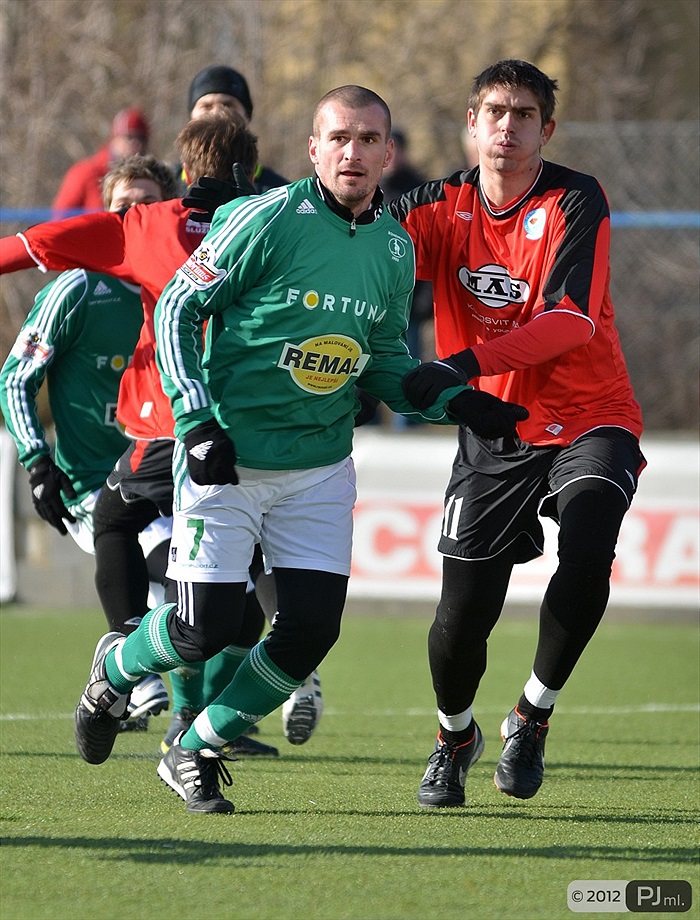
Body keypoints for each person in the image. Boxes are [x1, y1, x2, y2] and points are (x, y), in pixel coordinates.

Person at [65, 84, 526, 815]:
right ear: (314, 148)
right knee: (200, 629)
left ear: (387, 153)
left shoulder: (395, 248)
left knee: (310, 630)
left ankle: (196, 746)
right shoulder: (265, 220)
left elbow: (379, 362)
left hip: (317, 469)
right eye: (339, 137)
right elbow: (183, 306)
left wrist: (458, 402)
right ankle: (114, 671)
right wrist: (195, 419)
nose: (354, 151)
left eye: (369, 139)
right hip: (228, 457)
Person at [0, 113, 300, 758]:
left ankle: (123, 660)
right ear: (252, 168)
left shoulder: (148, 228)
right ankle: (196, 710)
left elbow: (24, 247)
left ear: (182, 176)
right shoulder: (283, 221)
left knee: (129, 528)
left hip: (172, 426)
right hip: (253, 431)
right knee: (237, 602)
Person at [389, 59, 645, 806]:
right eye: (495, 112)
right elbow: (365, 267)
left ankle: (532, 713)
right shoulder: (433, 205)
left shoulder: (576, 197)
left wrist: (461, 362)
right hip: (495, 429)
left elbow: (567, 321)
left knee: (592, 538)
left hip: (592, 411)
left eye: (524, 114)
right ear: (471, 124)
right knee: (460, 617)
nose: (507, 126)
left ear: (547, 129)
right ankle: (454, 736)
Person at [1, 153, 176, 730]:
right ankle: (129, 667)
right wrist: (36, 462)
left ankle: (155, 689)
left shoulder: (181, 289)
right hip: (92, 486)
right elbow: (15, 377)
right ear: (104, 214)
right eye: (122, 205)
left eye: (147, 204)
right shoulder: (75, 291)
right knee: (175, 578)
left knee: (219, 599)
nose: (133, 215)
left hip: (167, 475)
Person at [181, 65, 287, 194]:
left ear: (247, 116)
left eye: (228, 105)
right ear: (191, 116)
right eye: (207, 106)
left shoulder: (279, 194)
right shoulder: (163, 190)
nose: (217, 112)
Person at [53, 108, 150, 214]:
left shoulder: (151, 179)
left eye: (142, 138)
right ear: (115, 138)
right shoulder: (86, 173)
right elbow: (60, 219)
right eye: (129, 137)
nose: (137, 144)